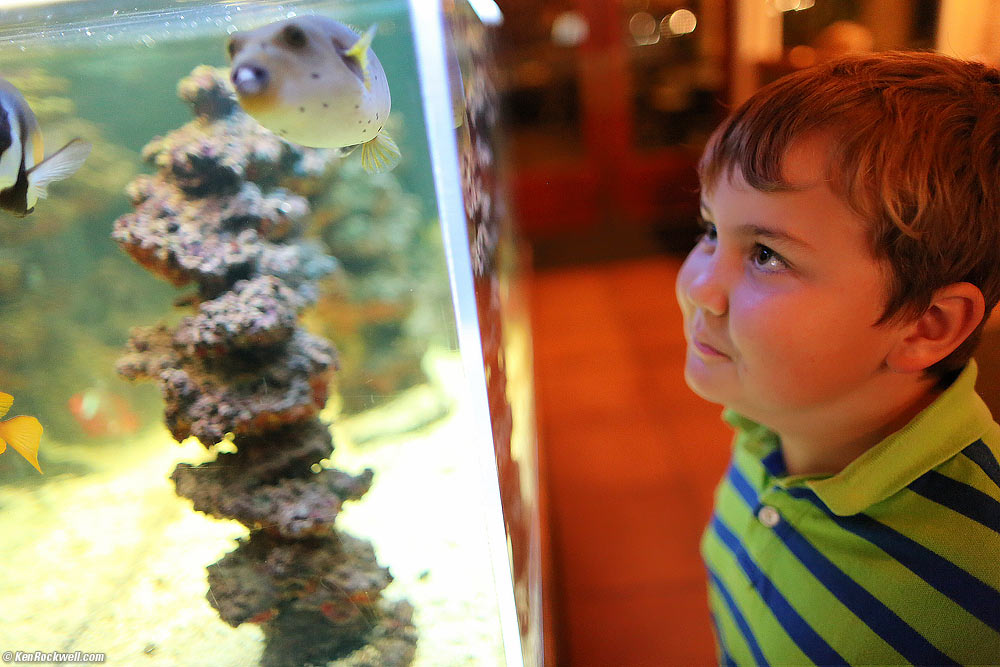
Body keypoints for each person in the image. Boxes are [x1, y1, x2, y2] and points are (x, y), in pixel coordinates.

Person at [675, 51, 1000, 664]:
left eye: (767, 254)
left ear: (926, 325)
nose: (697, 286)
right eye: (711, 229)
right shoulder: (769, 426)